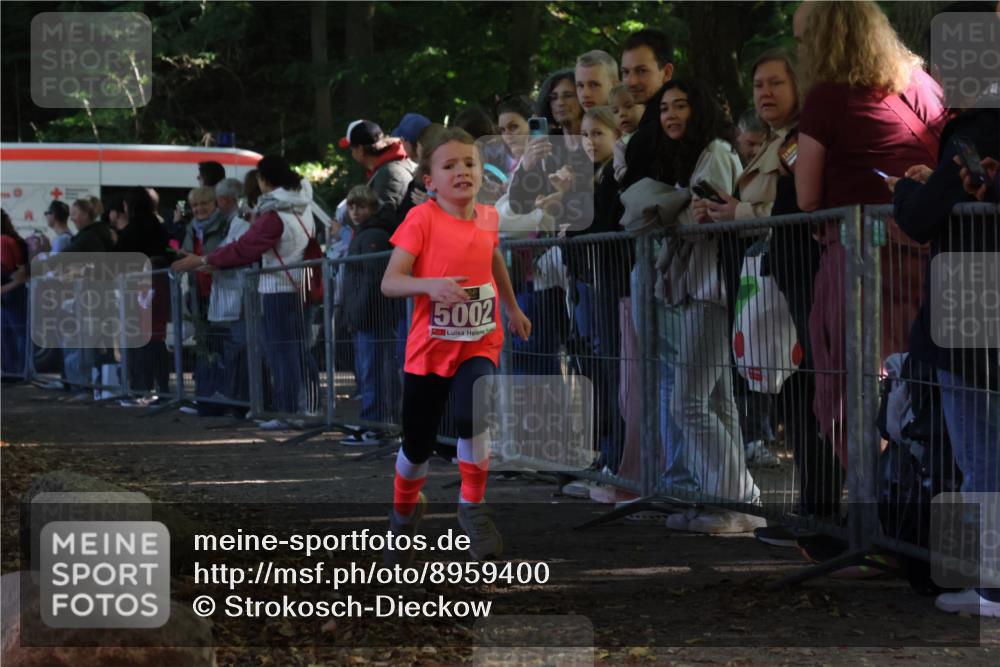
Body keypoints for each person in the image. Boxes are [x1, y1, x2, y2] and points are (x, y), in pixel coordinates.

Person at [794, 0, 948, 471]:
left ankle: (874, 506)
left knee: (852, 384)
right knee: (921, 381)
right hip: (929, 250)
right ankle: (916, 496)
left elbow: (805, 197)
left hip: (860, 259)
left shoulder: (826, 97)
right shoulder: (922, 84)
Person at [379, 128, 531, 564]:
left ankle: (473, 509)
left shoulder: (488, 217)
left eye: (469, 163)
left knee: (472, 414)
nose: (462, 171)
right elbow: (390, 282)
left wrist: (512, 307)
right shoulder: (421, 220)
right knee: (417, 445)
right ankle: (404, 514)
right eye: (450, 166)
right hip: (429, 349)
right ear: (430, 181)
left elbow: (494, 257)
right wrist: (432, 287)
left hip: (479, 341)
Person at [890, 45, 999, 617]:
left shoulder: (975, 128)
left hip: (971, 317)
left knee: (982, 451)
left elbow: (920, 217)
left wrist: (909, 192)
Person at [645, 79, 762, 533]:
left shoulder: (713, 151)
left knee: (687, 400)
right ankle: (729, 500)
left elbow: (703, 218)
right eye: (665, 108)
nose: (672, 115)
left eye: (681, 106)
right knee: (714, 398)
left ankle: (738, 502)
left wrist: (666, 214)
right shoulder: (698, 153)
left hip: (711, 286)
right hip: (703, 284)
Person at [173, 156, 320, 431]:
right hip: (301, 286)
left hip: (279, 288)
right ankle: (309, 406)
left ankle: (290, 410)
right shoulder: (303, 208)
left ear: (264, 180)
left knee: (282, 353)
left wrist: (203, 260)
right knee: (299, 351)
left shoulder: (275, 215)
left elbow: (244, 248)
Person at [341, 185, 400, 444]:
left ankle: (375, 424)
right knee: (372, 370)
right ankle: (374, 421)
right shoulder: (363, 234)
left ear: (372, 208)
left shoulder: (373, 235)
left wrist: (358, 313)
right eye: (352, 206)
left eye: (361, 206)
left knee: (373, 371)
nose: (355, 211)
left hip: (372, 317)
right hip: (366, 315)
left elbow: (371, 280)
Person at [114, 187, 172, 399]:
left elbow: (118, 258)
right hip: (159, 285)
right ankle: (161, 387)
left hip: (139, 287)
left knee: (139, 337)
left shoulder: (133, 229)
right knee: (156, 336)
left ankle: (141, 386)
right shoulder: (159, 226)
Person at [180, 185, 232, 416]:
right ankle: (204, 399)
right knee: (203, 346)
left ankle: (225, 397)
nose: (199, 209)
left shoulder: (226, 225)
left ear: (214, 204)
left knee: (222, 345)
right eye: (195, 205)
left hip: (220, 293)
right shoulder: (191, 228)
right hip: (197, 293)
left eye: (203, 204)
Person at [61, 198, 115, 399]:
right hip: (99, 296)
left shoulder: (87, 237)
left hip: (90, 297)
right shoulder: (103, 234)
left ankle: (86, 387)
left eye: (74, 214)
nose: (72, 218)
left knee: (86, 341)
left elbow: (62, 259)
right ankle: (97, 386)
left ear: (85, 214)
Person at [207, 178, 252, 411]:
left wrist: (209, 260)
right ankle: (238, 395)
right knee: (237, 346)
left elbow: (233, 251)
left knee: (242, 346)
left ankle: (242, 398)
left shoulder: (241, 222)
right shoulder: (235, 221)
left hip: (241, 292)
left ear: (224, 200)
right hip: (236, 293)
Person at [619, 29, 675, 189]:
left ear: (667, 72)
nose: (631, 82)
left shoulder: (660, 130)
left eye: (641, 71)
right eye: (625, 72)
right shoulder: (646, 127)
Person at [340, 119, 415, 211]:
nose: (351, 153)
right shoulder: (392, 165)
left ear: (360, 150)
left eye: (351, 149)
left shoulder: (389, 174)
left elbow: (385, 220)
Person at [1, 210, 30, 377]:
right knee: (14, 334)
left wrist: (15, 281)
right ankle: (17, 371)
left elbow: (7, 269)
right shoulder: (12, 239)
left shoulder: (4, 241)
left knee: (12, 335)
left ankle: (15, 371)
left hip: (10, 292)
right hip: (13, 292)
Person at [609, 84, 646, 183]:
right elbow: (619, 170)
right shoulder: (621, 144)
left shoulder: (652, 132)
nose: (622, 114)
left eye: (629, 106)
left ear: (644, 107)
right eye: (616, 111)